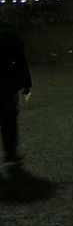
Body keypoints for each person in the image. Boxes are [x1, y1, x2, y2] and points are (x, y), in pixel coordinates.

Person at [0, 23, 32, 165]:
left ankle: (10, 153)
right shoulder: (11, 36)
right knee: (9, 119)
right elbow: (21, 61)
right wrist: (27, 82)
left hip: (7, 81)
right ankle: (10, 152)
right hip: (7, 81)